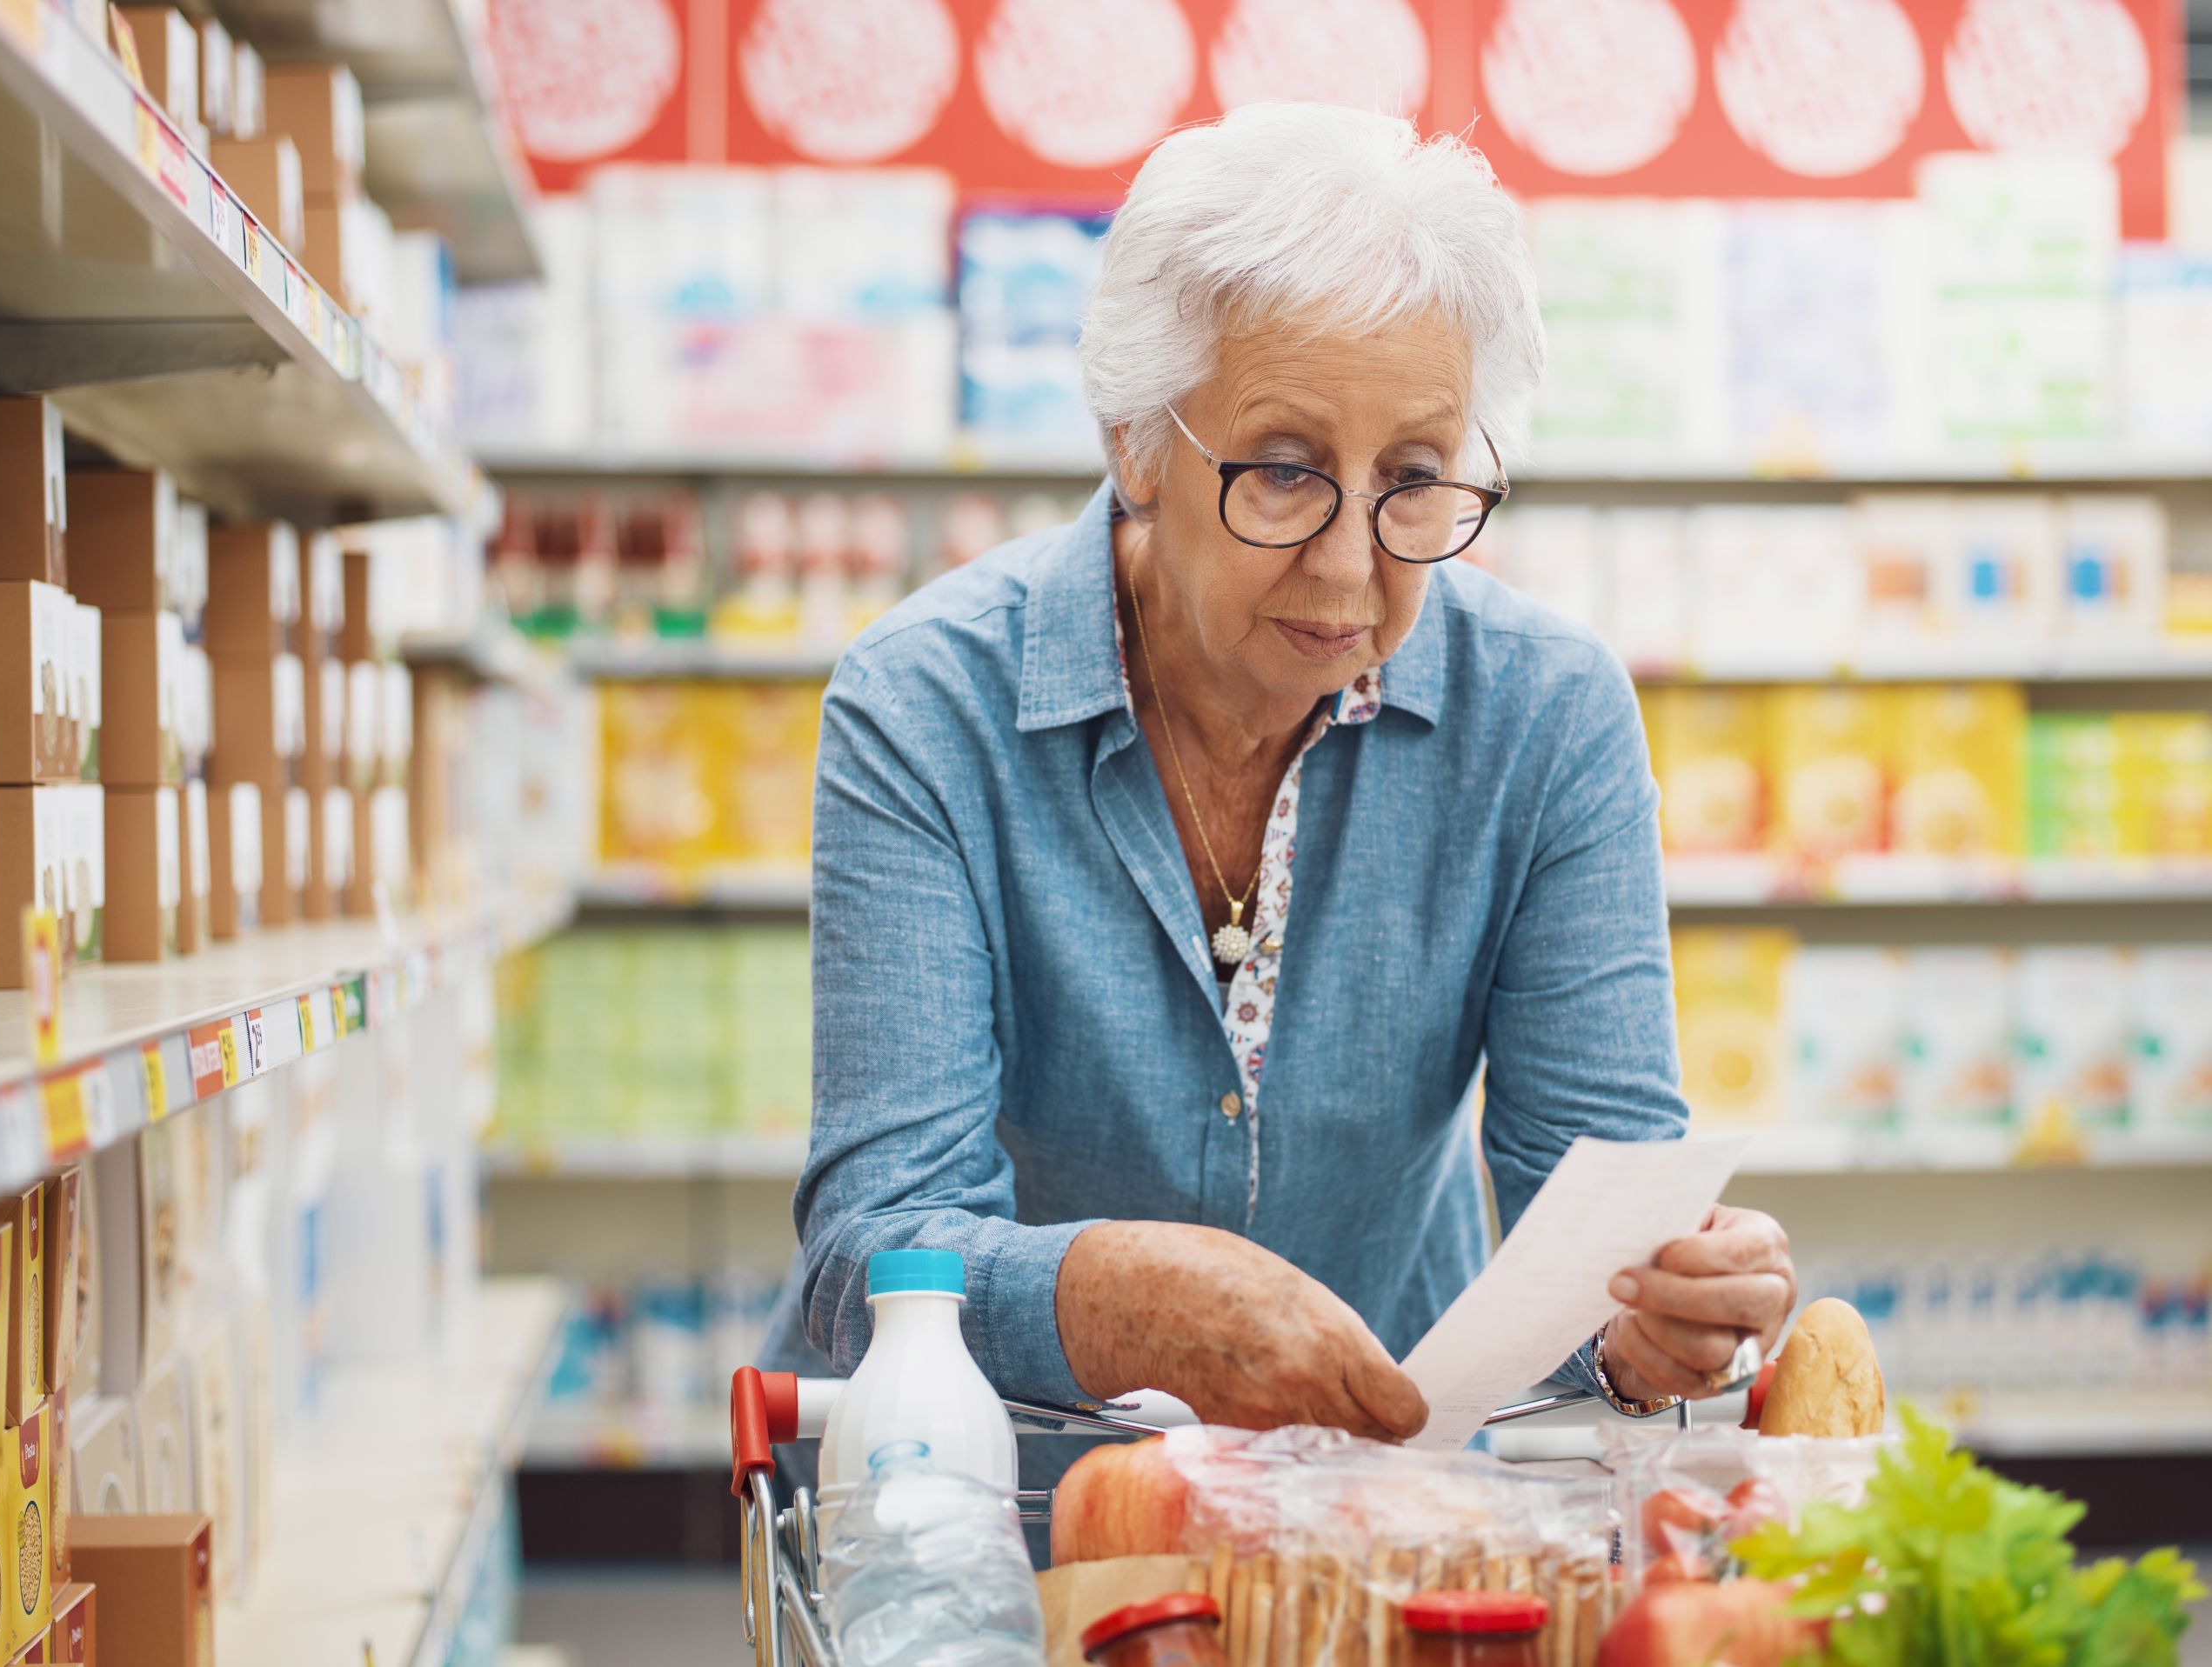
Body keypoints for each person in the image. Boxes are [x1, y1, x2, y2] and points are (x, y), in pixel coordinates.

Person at [759, 102, 1794, 1462]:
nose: (1353, 567)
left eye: (1413, 477)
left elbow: (1595, 1235)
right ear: (1136, 440)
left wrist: (1656, 1315)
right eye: (1287, 473)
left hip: (1377, 1504)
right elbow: (869, 1250)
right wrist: (1118, 1300)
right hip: (988, 1494)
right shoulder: (926, 704)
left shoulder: (1547, 716)